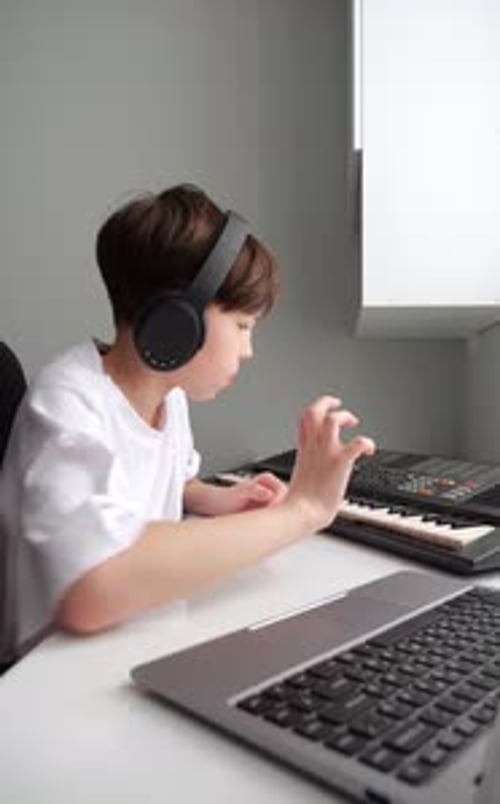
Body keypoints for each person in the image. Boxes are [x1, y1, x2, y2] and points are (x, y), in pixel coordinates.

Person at [0, 184, 375, 648]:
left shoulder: (169, 397)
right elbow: (92, 587)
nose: (248, 349)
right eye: (242, 326)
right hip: (50, 668)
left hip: (132, 638)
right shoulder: (67, 401)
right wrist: (304, 511)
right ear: (178, 321)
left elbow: (164, 481)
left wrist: (215, 499)